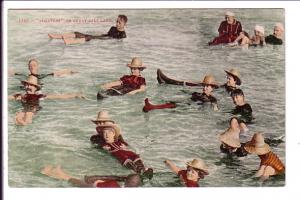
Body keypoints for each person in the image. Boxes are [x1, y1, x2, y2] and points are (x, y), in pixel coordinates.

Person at [8, 75, 85, 125]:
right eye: (27, 84)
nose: (28, 86)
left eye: (31, 85)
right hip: (24, 109)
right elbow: (9, 97)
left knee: (28, 114)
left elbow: (58, 96)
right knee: (19, 115)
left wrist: (75, 95)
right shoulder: (22, 96)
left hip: (33, 109)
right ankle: (20, 122)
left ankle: (25, 123)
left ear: (36, 88)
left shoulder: (39, 96)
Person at [49, 15, 127, 45]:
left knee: (88, 38)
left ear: (124, 24)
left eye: (119, 22)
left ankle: (70, 42)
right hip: (101, 37)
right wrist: (98, 35)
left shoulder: (123, 34)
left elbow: (114, 42)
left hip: (103, 40)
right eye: (116, 21)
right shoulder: (113, 28)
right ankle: (58, 36)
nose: (117, 24)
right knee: (78, 33)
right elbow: (107, 34)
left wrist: (100, 39)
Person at [41, 165, 142, 187]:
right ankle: (58, 172)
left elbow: (95, 183)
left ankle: (48, 173)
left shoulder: (114, 185)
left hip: (93, 187)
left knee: (71, 179)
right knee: (71, 178)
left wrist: (97, 181)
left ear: (126, 182)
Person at [9, 59, 77, 80]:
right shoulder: (25, 76)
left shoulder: (41, 76)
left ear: (38, 67)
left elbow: (56, 73)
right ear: (28, 68)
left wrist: (70, 72)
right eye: (30, 66)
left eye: (34, 65)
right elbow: (12, 72)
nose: (32, 67)